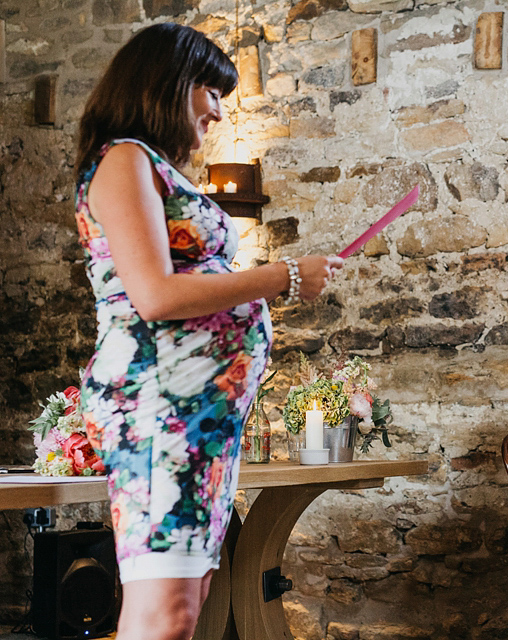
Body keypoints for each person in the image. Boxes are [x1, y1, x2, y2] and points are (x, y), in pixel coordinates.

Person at [73, 24, 343, 640]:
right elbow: (155, 295)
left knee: (186, 610)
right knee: (162, 614)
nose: (219, 112)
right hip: (160, 411)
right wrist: (281, 277)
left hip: (202, 422)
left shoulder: (159, 169)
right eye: (211, 92)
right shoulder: (124, 159)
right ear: (169, 83)